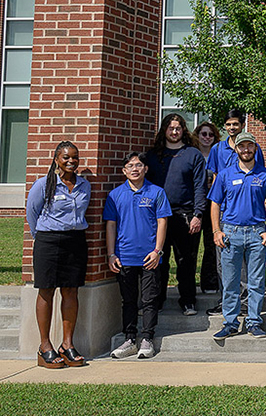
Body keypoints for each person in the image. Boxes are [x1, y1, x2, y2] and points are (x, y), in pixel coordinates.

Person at [207, 131, 266, 339]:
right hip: (231, 232)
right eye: (242, 146)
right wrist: (216, 230)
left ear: (255, 149)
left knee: (256, 281)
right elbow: (215, 203)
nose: (246, 150)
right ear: (237, 149)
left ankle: (254, 322)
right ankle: (230, 323)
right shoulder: (225, 175)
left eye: (250, 146)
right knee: (231, 282)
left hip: (257, 233)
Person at [25, 141, 91, 369]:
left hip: (75, 242)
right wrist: (42, 237)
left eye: (75, 157)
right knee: (46, 291)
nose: (71, 161)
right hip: (49, 242)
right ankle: (45, 347)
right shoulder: (44, 185)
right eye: (66, 157)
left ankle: (67, 345)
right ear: (56, 159)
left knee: (71, 290)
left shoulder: (84, 185)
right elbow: (32, 213)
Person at [105, 153, 171, 360]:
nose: (135, 169)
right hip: (124, 256)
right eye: (130, 166)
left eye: (139, 165)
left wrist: (158, 251)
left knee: (150, 299)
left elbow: (162, 222)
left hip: (149, 256)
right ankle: (129, 339)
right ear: (124, 171)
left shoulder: (157, 192)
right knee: (129, 300)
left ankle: (147, 339)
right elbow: (111, 225)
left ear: (145, 169)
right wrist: (111, 254)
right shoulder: (115, 195)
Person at [144, 113, 207, 316]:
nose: (174, 132)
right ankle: (157, 300)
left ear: (183, 130)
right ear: (164, 130)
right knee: (158, 260)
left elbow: (200, 186)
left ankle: (188, 301)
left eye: (178, 128)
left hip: (185, 215)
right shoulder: (152, 156)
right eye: (170, 128)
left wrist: (198, 214)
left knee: (186, 261)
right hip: (157, 216)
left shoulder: (193, 155)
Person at [204, 109, 263, 318]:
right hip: (225, 212)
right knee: (224, 261)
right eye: (228, 125)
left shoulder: (253, 148)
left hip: (247, 213)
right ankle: (226, 299)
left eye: (235, 124)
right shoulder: (217, 149)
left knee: (246, 261)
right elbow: (215, 178)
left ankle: (246, 301)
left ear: (243, 124)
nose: (232, 128)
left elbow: (260, 176)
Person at [193, 121, 222, 295]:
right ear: (197, 136)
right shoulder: (192, 154)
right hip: (195, 205)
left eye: (211, 135)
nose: (207, 138)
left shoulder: (218, 155)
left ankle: (210, 283)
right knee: (192, 247)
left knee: (212, 245)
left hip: (214, 205)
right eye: (204, 134)